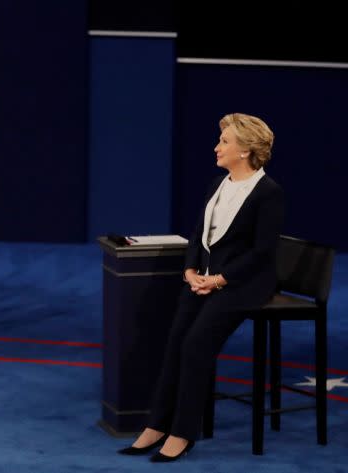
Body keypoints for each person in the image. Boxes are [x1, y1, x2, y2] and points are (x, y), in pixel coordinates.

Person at [117, 113, 284, 462]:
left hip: (242, 285)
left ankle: (183, 433)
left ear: (245, 150)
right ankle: (156, 425)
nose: (216, 147)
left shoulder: (268, 193)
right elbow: (199, 233)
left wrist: (221, 279)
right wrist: (191, 270)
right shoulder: (217, 184)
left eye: (224, 142)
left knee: (195, 346)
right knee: (176, 343)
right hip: (202, 280)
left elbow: (262, 251)